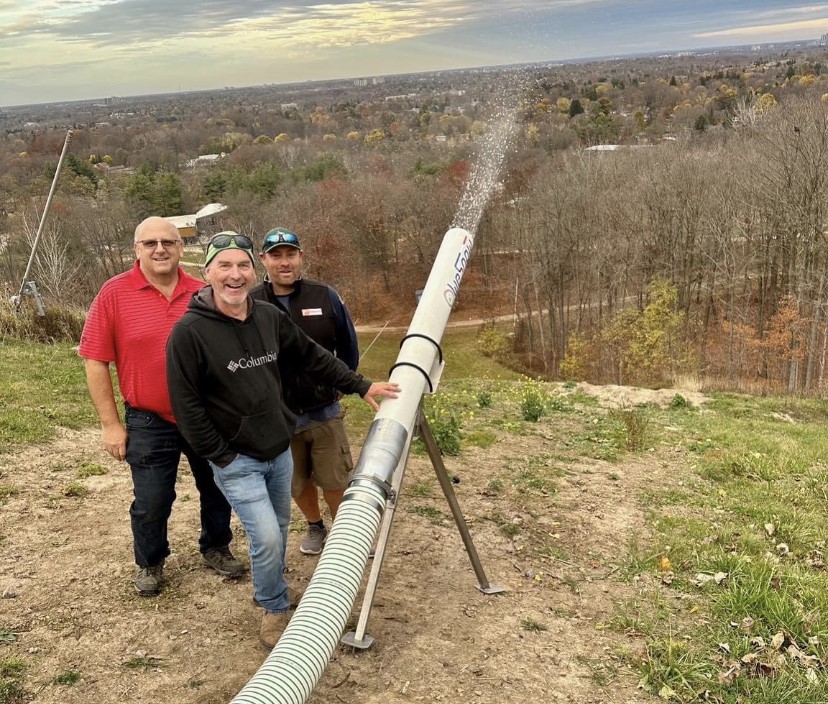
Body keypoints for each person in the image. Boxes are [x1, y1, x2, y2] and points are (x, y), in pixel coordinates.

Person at [165, 232, 399, 649]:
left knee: (280, 528)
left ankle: (273, 586)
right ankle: (274, 608)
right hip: (238, 460)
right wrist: (223, 456)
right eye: (225, 266)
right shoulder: (189, 333)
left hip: (278, 448)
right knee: (267, 537)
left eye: (242, 267)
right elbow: (187, 407)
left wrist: (360, 385)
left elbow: (313, 355)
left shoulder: (269, 318)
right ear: (208, 273)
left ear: (251, 272)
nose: (234, 275)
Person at [78, 216, 245, 597]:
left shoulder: (204, 291)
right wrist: (110, 424)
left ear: (180, 247)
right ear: (137, 249)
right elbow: (94, 359)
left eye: (168, 242)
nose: (160, 249)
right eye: (150, 243)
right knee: (152, 499)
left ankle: (216, 546)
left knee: (218, 486)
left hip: (207, 414)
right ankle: (150, 561)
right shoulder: (114, 293)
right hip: (148, 418)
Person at [250, 227, 358, 556]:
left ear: (301, 257)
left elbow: (348, 346)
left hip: (324, 409)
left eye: (290, 254)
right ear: (263, 260)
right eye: (276, 255)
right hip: (279, 416)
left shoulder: (325, 295)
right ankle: (315, 526)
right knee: (297, 482)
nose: (285, 262)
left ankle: (344, 535)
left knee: (335, 478)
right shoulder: (252, 302)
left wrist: (342, 382)